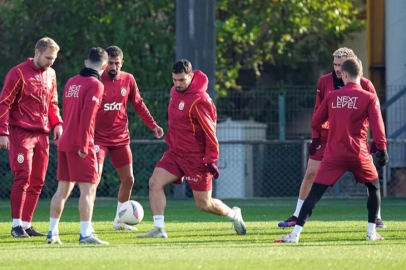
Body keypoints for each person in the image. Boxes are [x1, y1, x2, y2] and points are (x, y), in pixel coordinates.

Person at [275, 58, 389, 243]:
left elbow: (315, 122)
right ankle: (371, 232)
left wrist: (331, 125)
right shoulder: (369, 97)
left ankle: (294, 235)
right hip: (358, 152)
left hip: (334, 153)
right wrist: (381, 147)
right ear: (360, 74)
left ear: (344, 74)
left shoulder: (331, 96)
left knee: (315, 193)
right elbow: (378, 126)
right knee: (374, 187)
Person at [137, 59, 246, 238]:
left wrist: (211, 158)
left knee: (204, 204)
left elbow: (210, 131)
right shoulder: (174, 92)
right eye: (174, 80)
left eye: (181, 80)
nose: (177, 84)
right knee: (154, 183)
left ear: (191, 76)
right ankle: (159, 229)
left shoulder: (200, 100)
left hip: (196, 158)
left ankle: (234, 215)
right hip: (175, 153)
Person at [95, 45, 163, 231]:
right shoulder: (95, 80)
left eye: (117, 63)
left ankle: (119, 220)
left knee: (129, 179)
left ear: (122, 63)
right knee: (94, 179)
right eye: (109, 63)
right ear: (103, 63)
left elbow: (139, 104)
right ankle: (87, 226)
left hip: (120, 138)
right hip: (97, 139)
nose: (113, 67)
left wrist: (153, 125)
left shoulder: (128, 79)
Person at [0, 37, 63, 238]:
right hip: (21, 133)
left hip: (42, 134)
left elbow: (53, 103)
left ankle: (27, 224)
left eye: (53, 58)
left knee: (38, 180)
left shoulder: (51, 74)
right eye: (47, 57)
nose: (51, 62)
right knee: (23, 176)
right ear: (37, 53)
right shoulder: (17, 73)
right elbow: (4, 104)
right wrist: (3, 132)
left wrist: (58, 123)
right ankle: (16, 225)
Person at [46, 47, 109, 245]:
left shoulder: (71, 82)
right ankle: (85, 234)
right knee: (88, 190)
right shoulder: (96, 85)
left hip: (64, 141)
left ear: (85, 62)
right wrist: (84, 144)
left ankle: (52, 233)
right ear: (104, 67)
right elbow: (88, 117)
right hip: (81, 144)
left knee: (62, 190)